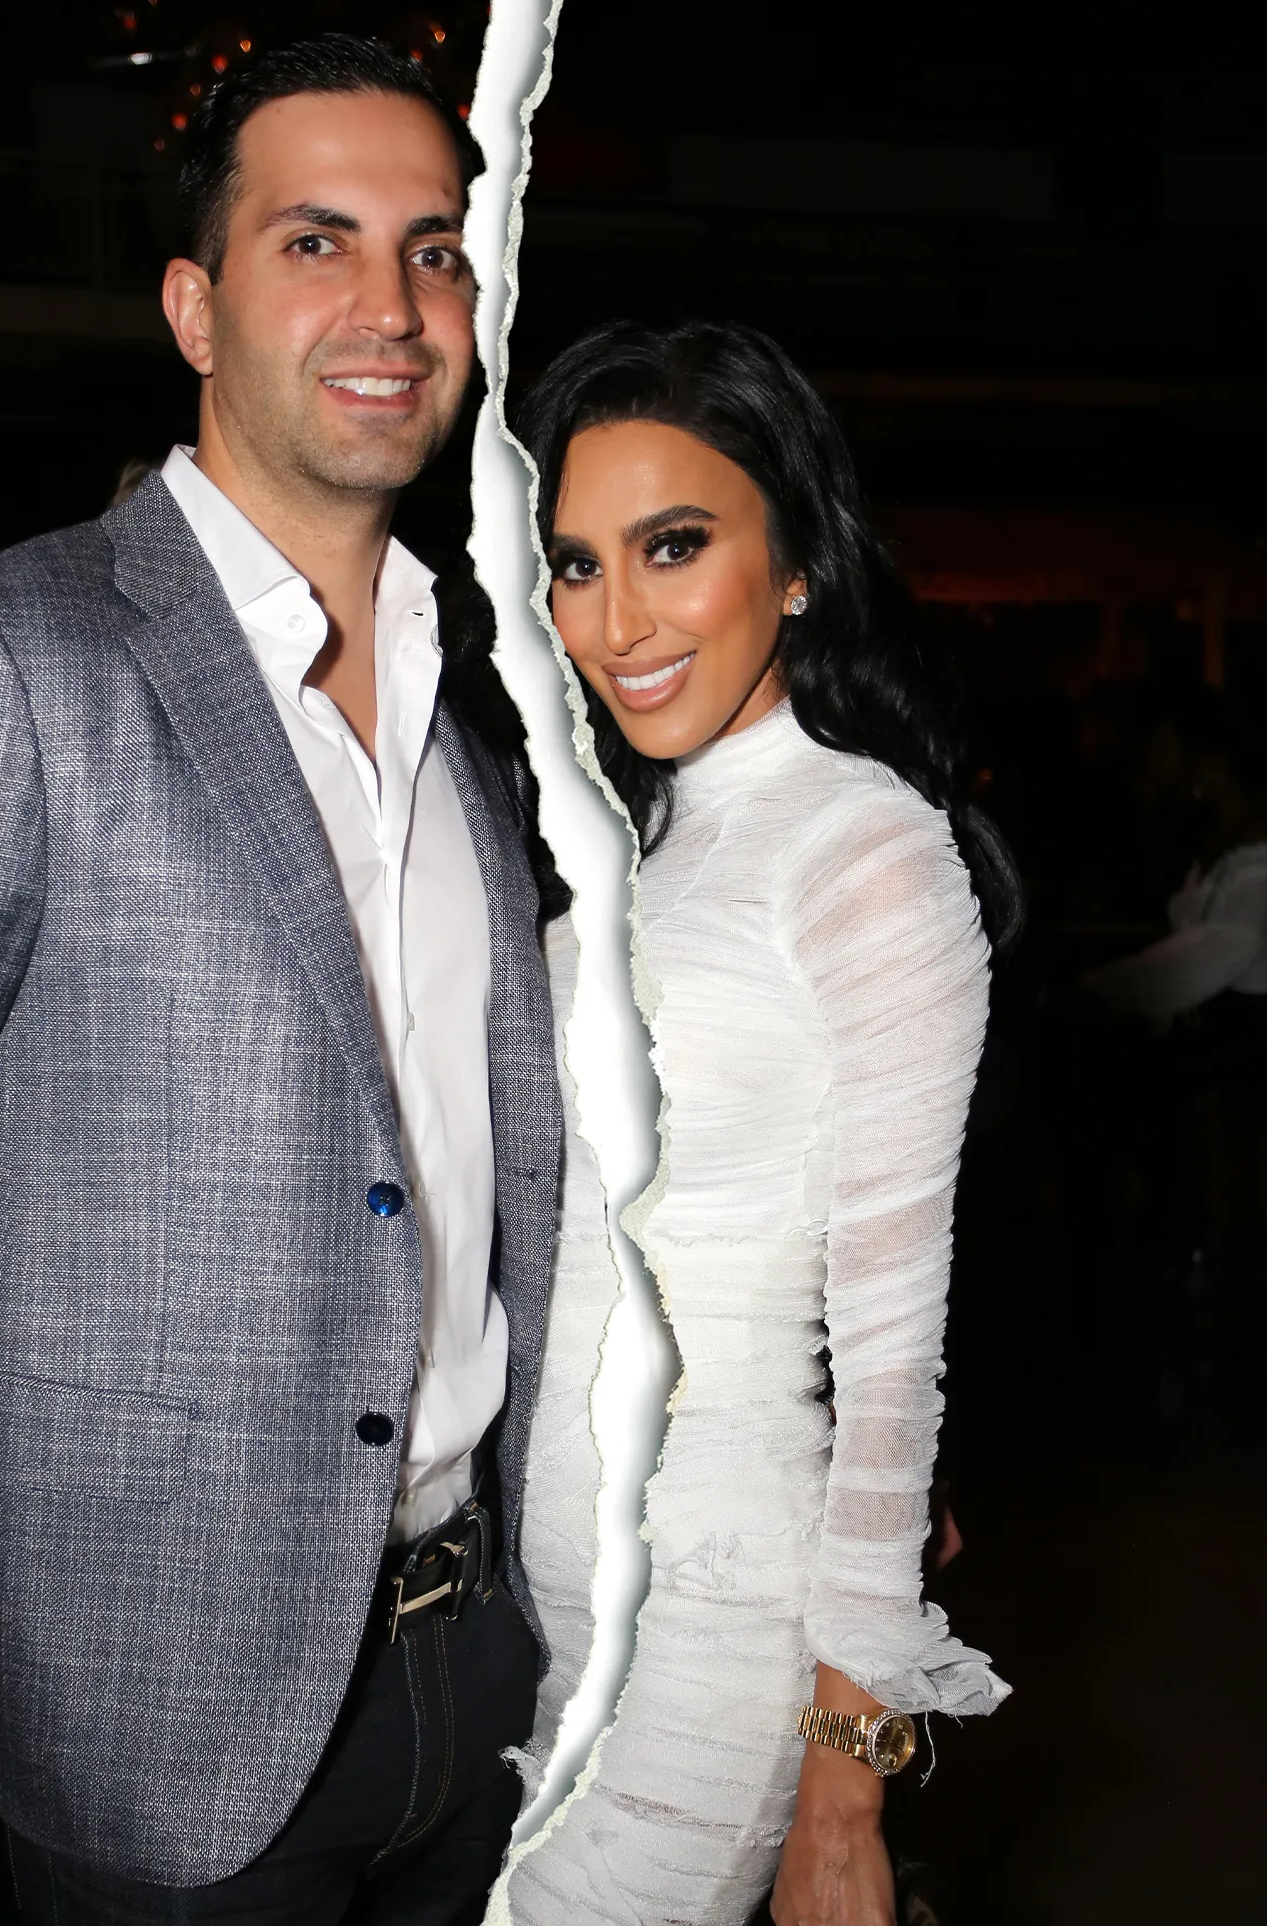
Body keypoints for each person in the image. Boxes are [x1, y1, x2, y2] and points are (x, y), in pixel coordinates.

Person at [0, 37, 561, 1925]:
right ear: (193, 306)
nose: (391, 304)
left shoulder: (474, 714)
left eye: (432, 250)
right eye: (316, 242)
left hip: (485, 1659)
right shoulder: (0, 659)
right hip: (158, 1707)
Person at [501, 322, 1020, 1926]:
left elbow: (891, 1370)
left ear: (794, 564)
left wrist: (847, 1787)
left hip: (714, 1638)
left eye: (674, 546)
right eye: (577, 563)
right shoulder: (646, 843)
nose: (619, 619)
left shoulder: (866, 853)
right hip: (564, 1608)